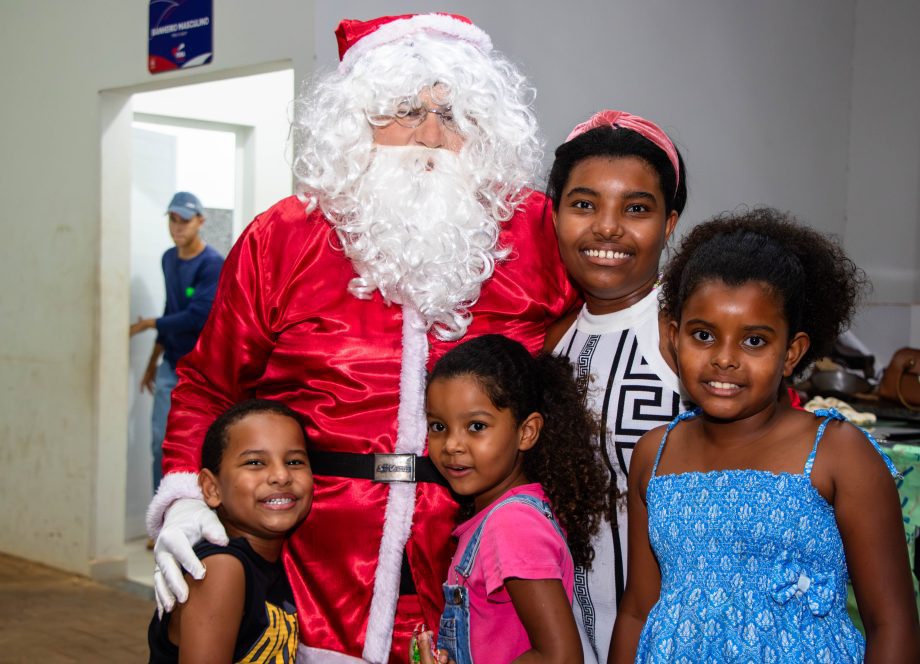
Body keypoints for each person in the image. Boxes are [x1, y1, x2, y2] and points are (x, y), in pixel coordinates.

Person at [144, 13, 576, 663]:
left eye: (455, 115)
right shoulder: (284, 236)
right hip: (306, 570)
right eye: (404, 110)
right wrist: (183, 498)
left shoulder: (534, 235)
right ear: (355, 119)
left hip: (480, 570)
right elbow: (209, 384)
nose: (430, 135)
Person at [611, 209, 920, 662]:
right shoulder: (654, 454)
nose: (725, 359)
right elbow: (638, 609)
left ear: (792, 352)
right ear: (675, 339)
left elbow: (891, 622)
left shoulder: (838, 453)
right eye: (703, 335)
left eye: (754, 340)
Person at [543, 110, 688, 663]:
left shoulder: (687, 339)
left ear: (669, 223)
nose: (607, 227)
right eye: (584, 204)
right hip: (569, 635)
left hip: (670, 637)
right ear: (555, 215)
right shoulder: (554, 342)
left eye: (636, 208)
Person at [416, 333, 606, 663]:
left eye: (476, 426)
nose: (451, 445)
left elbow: (559, 657)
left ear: (526, 432)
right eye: (438, 426)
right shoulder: (501, 516)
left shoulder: (512, 523)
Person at [147, 398, 313, 663]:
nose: (281, 476)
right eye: (255, 463)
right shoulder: (221, 568)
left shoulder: (280, 561)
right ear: (212, 489)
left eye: (294, 462)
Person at [130, 191, 224, 499]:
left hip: (203, 372)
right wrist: (152, 363)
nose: (177, 227)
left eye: (184, 220)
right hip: (171, 365)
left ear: (200, 221)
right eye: (173, 219)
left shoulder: (212, 264)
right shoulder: (168, 259)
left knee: (199, 447)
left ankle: (196, 513)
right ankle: (163, 516)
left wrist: (148, 323)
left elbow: (198, 316)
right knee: (159, 442)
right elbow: (172, 308)